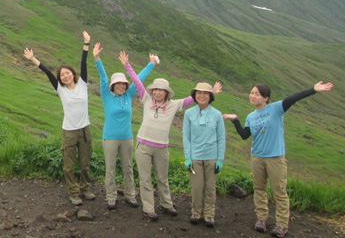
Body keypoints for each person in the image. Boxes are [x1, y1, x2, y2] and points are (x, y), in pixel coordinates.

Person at [223, 81, 334, 238]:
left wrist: (314, 90)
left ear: (266, 98)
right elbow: (244, 135)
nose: (252, 96)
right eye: (251, 92)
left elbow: (294, 98)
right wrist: (235, 120)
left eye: (257, 94)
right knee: (259, 190)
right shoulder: (251, 116)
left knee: (279, 192)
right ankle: (261, 219)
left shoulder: (276, 108)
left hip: (275, 158)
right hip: (257, 158)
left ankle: (282, 224)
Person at [135, 76, 222, 222]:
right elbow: (137, 82)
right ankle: (148, 209)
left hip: (162, 147)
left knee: (163, 178)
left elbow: (194, 98)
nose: (157, 92)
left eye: (161, 90)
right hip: (143, 145)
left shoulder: (174, 105)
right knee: (145, 180)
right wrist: (127, 66)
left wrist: (212, 91)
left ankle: (166, 204)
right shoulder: (147, 99)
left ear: (167, 93)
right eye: (155, 89)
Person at [23, 31, 94, 206]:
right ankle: (73, 193)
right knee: (69, 166)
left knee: (85, 164)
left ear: (73, 73)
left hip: (85, 130)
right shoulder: (60, 89)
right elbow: (46, 71)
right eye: (62, 75)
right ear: (60, 78)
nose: (65, 76)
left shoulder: (83, 84)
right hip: (69, 132)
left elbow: (84, 63)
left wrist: (86, 44)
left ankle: (85, 189)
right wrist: (33, 59)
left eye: (68, 73)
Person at [92, 43, 158, 210]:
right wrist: (97, 59)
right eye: (118, 83)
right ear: (113, 85)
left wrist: (151, 64)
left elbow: (139, 79)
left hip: (127, 138)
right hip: (110, 139)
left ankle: (130, 195)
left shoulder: (129, 94)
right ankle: (111, 196)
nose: (121, 85)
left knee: (128, 168)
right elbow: (103, 76)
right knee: (110, 168)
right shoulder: (107, 95)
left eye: (123, 83)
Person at [182, 82, 226, 228]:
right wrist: (187, 157)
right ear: (194, 95)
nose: (202, 96)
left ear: (210, 96)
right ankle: (196, 213)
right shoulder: (189, 113)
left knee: (210, 187)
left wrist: (220, 159)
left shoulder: (217, 114)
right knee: (196, 186)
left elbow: (221, 138)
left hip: (212, 157)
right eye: (199, 93)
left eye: (205, 93)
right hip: (195, 157)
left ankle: (209, 215)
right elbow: (186, 136)